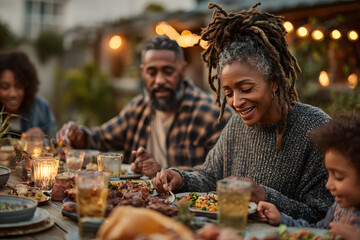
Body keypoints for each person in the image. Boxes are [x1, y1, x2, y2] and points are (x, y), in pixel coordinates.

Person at [152, 3, 333, 223]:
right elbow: (211, 177)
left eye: (246, 89)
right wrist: (180, 179)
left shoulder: (316, 130)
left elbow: (324, 217)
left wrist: (263, 195)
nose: (236, 102)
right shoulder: (237, 126)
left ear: (274, 82)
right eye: (228, 92)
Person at [56, 36, 232, 178]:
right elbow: (101, 137)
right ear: (143, 73)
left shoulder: (213, 114)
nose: (160, 80)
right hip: (133, 203)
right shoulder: (139, 107)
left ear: (183, 70)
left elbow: (219, 174)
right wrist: (79, 135)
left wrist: (163, 171)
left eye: (168, 71)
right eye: (152, 72)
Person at [257, 112, 360, 240]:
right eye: (329, 174)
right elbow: (317, 232)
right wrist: (282, 219)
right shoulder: (339, 207)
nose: (328, 184)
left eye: (338, 177)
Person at [0, 50, 57, 139]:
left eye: (19, 86)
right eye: (5, 87)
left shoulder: (40, 107)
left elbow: (56, 145)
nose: (13, 94)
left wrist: (43, 141)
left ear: (27, 86)